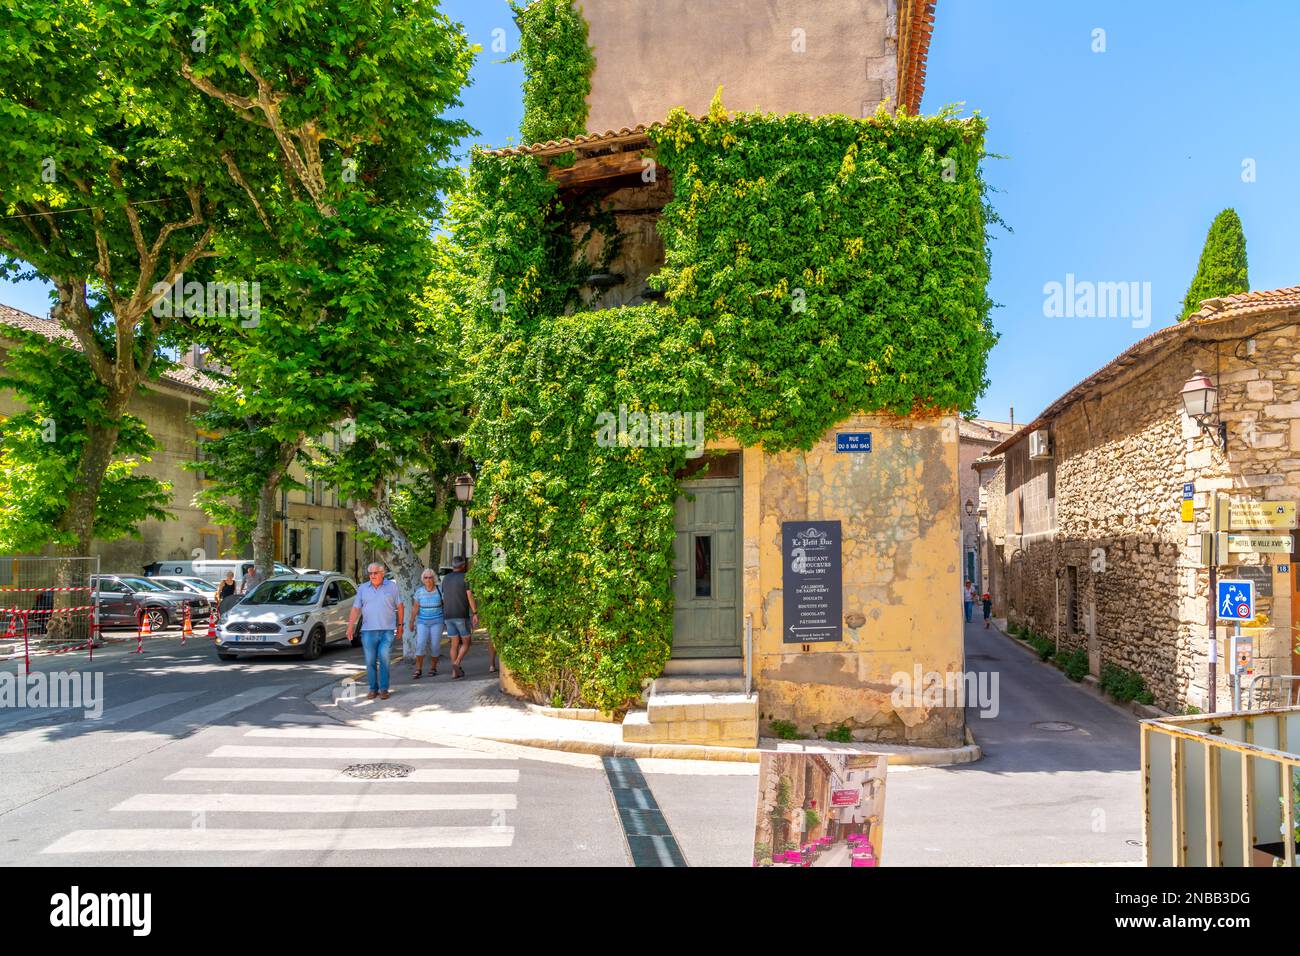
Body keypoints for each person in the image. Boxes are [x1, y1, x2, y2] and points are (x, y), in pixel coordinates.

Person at [347, 562, 404, 700]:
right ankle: (373, 689)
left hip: (387, 630)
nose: (372, 576)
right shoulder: (363, 588)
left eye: (375, 573)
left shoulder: (392, 586)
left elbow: (400, 606)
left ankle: (384, 689)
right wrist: (350, 627)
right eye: (370, 573)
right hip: (368, 631)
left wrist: (400, 626)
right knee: (370, 661)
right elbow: (356, 609)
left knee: (384, 659)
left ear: (382, 573)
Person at [441, 556, 479, 680]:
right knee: (467, 642)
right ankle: (456, 664)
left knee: (454, 644)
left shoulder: (446, 579)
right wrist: (475, 612)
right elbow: (469, 596)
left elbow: (444, 596)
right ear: (463, 566)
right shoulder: (465, 578)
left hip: (447, 615)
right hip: (461, 615)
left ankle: (454, 672)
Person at [407, 568, 445, 679]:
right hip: (422, 622)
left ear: (434, 578)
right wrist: (411, 621)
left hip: (437, 622)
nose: (428, 579)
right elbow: (415, 608)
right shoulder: (419, 592)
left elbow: (445, 604)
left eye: (430, 577)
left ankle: (433, 668)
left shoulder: (440, 590)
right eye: (426, 577)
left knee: (435, 645)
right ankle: (418, 669)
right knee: (420, 645)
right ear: (423, 579)